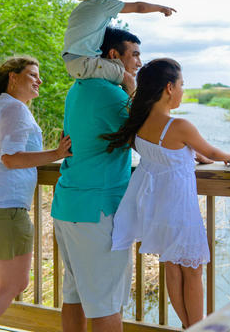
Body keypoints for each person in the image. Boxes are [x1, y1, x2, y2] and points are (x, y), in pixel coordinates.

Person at [103, 58, 230, 328]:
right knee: (193, 270)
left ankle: (188, 326)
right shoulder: (179, 126)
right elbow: (212, 152)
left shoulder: (139, 125)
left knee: (173, 268)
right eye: (181, 85)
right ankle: (196, 327)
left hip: (155, 209)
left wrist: (194, 155)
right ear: (169, 87)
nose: (182, 91)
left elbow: (177, 153)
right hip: (180, 209)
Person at [0, 57, 72, 332]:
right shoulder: (14, 109)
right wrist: (57, 154)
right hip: (3, 208)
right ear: (12, 78)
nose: (39, 80)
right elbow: (10, 158)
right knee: (14, 284)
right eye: (32, 75)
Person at [50, 27, 141, 332]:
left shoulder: (78, 88)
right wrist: (130, 87)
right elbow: (143, 137)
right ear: (113, 56)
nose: (139, 63)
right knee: (105, 303)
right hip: (96, 211)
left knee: (75, 295)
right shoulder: (108, 92)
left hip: (70, 206)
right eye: (135, 55)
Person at [62, 0, 176, 94]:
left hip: (72, 63)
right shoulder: (103, 3)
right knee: (128, 79)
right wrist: (162, 8)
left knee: (115, 68)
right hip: (85, 62)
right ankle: (134, 113)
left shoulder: (80, 9)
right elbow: (139, 7)